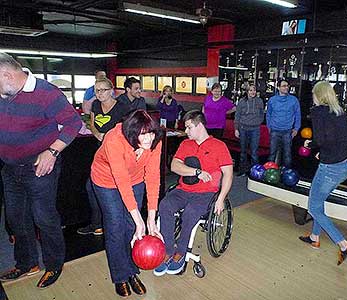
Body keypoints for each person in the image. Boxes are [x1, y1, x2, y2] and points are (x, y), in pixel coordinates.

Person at [0, 52, 81, 287]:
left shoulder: (46, 92)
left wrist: (53, 151)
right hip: (10, 168)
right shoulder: (5, 93)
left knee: (44, 219)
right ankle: (27, 264)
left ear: (6, 74)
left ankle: (54, 264)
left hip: (39, 168)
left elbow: (73, 122)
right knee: (17, 220)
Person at [90, 109, 163, 297]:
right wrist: (140, 219)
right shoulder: (114, 139)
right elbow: (121, 180)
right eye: (143, 135)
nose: (148, 139)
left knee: (132, 227)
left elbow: (153, 177)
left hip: (135, 179)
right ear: (132, 133)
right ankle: (120, 276)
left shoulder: (155, 141)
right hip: (106, 180)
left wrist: (151, 219)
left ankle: (132, 271)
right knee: (116, 226)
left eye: (151, 133)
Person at [154, 110, 233, 276]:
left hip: (206, 193)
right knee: (165, 205)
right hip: (183, 190)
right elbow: (175, 166)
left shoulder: (219, 146)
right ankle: (168, 250)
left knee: (190, 213)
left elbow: (228, 174)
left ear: (200, 125)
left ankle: (181, 252)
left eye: (189, 127)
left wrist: (221, 199)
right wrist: (196, 172)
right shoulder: (185, 145)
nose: (186, 131)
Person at [299, 81, 347, 266]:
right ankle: (315, 236)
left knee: (314, 207)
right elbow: (340, 139)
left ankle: (343, 245)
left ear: (319, 95)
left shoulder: (318, 111)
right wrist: (322, 151)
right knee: (319, 200)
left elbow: (322, 139)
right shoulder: (338, 111)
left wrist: (311, 144)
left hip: (331, 168)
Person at [77, 77, 128, 236]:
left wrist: (111, 137)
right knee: (91, 187)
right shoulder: (95, 105)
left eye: (102, 90)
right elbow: (91, 123)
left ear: (111, 90)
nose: (99, 93)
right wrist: (97, 133)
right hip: (100, 152)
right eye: (96, 90)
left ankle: (114, 225)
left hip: (117, 154)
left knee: (112, 191)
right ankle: (97, 224)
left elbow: (128, 130)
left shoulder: (122, 108)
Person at [266, 79, 301, 167]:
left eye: (287, 86)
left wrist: (296, 128)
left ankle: (286, 174)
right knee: (272, 154)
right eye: (284, 86)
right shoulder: (272, 100)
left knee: (287, 155)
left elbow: (298, 115)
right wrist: (269, 127)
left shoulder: (294, 100)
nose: (286, 88)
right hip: (274, 131)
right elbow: (268, 114)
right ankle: (269, 173)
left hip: (287, 131)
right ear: (278, 88)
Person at [234, 84, 265, 176]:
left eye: (254, 90)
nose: (252, 92)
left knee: (254, 152)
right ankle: (242, 170)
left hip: (255, 129)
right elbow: (237, 116)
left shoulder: (259, 101)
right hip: (243, 129)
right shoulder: (242, 101)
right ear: (247, 91)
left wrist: (258, 122)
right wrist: (236, 129)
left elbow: (261, 114)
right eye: (250, 90)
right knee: (243, 152)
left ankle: (255, 173)